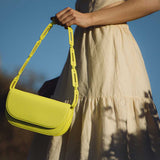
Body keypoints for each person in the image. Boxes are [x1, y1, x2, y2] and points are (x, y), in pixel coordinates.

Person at [28, 0, 160, 160]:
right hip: (84, 58)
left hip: (112, 52)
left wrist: (89, 18)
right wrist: (63, 79)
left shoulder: (89, 19)